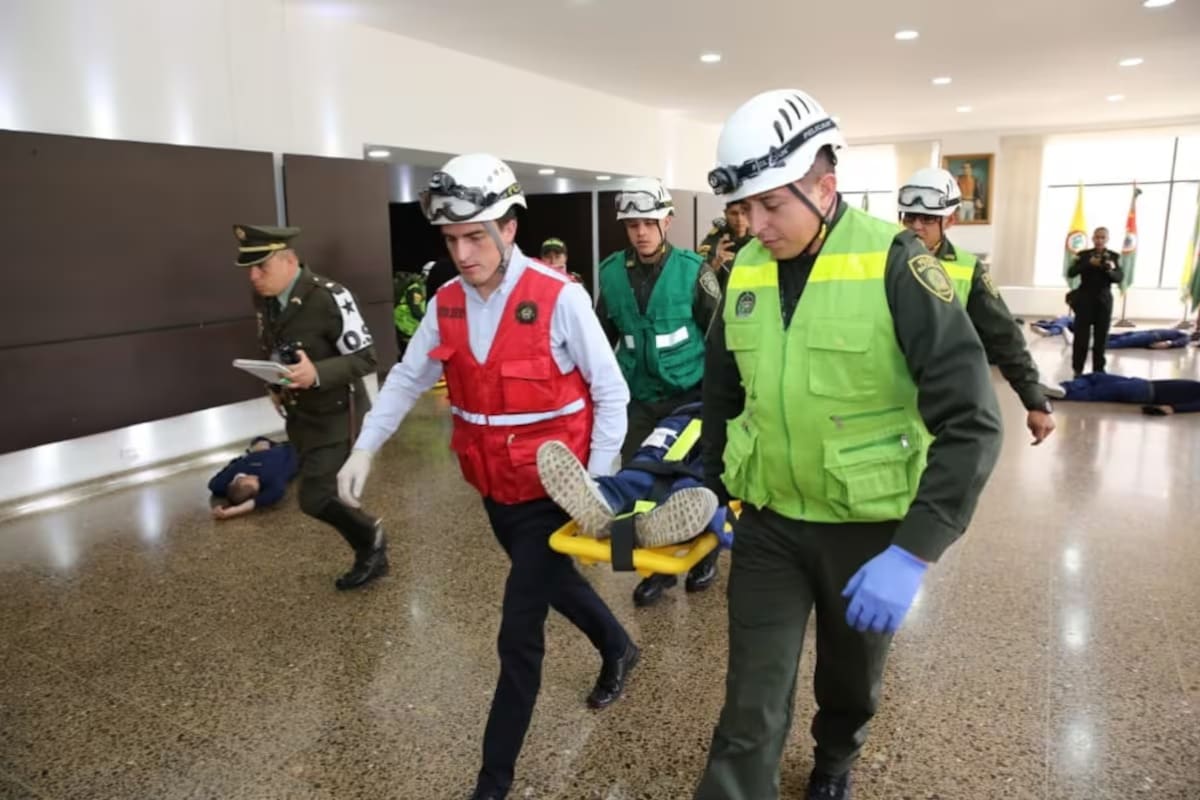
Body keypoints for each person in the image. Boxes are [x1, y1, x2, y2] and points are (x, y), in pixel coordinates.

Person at [695, 89, 1003, 800]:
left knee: (850, 676)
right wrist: (710, 484)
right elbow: (721, 393)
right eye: (744, 209)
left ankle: (836, 758)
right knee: (750, 703)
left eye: (772, 205)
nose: (755, 225)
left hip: (867, 531)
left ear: (824, 185)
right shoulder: (744, 268)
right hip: (768, 523)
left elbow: (972, 420)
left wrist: (914, 550)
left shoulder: (896, 264)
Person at [334, 154, 637, 800]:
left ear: (510, 228)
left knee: (517, 629)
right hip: (494, 490)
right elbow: (408, 380)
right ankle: (617, 645)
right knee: (553, 581)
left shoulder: (562, 299)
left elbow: (613, 394)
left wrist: (600, 488)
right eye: (451, 240)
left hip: (556, 489)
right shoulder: (445, 303)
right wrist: (364, 448)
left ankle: (492, 783)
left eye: (476, 236)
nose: (463, 253)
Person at [236, 223, 388, 590]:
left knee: (315, 497)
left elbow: (367, 358)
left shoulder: (329, 296)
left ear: (290, 261)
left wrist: (315, 373)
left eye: (261, 268)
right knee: (323, 493)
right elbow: (275, 345)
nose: (253, 277)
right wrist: (276, 382)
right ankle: (371, 543)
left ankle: (372, 543)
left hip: (340, 413)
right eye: (249, 269)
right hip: (302, 416)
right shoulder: (266, 300)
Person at [595, 176, 722, 605]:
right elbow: (600, 339)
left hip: (689, 394)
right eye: (632, 224)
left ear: (667, 221)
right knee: (638, 476)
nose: (641, 232)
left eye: (649, 222)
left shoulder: (693, 271)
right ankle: (654, 568)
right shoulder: (610, 273)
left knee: (689, 477)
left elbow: (719, 336)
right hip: (639, 398)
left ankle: (705, 553)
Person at [898, 167, 1055, 444]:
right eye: (909, 217)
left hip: (944, 396)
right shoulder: (881, 260)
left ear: (950, 221)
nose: (916, 227)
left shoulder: (967, 268)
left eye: (927, 219)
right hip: (889, 393)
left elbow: (1003, 335)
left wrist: (1034, 400)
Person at [536, 402, 727, 606]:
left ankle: (626, 510)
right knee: (643, 470)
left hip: (729, 423)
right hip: (689, 413)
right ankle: (605, 504)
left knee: (693, 485)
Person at [1066, 227, 1123, 377]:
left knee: (1101, 337)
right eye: (1097, 237)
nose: (1099, 240)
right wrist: (1088, 264)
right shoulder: (1083, 255)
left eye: (1102, 238)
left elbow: (1119, 278)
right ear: (1092, 238)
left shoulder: (1113, 257)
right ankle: (1077, 369)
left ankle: (1099, 370)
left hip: (1103, 301)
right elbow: (1071, 273)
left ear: (1107, 239)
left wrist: (1109, 270)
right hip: (1085, 299)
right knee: (1081, 337)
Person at [208, 436, 299, 519]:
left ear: (233, 482)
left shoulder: (221, 483)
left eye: (249, 478)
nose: (255, 476)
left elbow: (213, 484)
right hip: (291, 449)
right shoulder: (272, 480)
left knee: (259, 441)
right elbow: (257, 502)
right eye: (257, 481)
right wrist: (230, 512)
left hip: (260, 450)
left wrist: (247, 455)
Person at [1043, 373, 1200, 415]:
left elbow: (1196, 405)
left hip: (1144, 393)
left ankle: (1058, 394)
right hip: (1144, 383)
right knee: (1096, 377)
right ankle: (1061, 388)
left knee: (1095, 392)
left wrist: (1173, 409)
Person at [697, 202, 754, 292]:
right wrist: (715, 264)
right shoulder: (713, 241)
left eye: (744, 213)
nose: (739, 219)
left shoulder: (760, 239)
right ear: (726, 214)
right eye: (734, 214)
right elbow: (698, 278)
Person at [393, 271, 428, 359]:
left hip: (407, 322)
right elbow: (415, 309)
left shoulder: (418, 287)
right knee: (411, 351)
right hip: (408, 323)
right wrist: (425, 319)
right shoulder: (416, 289)